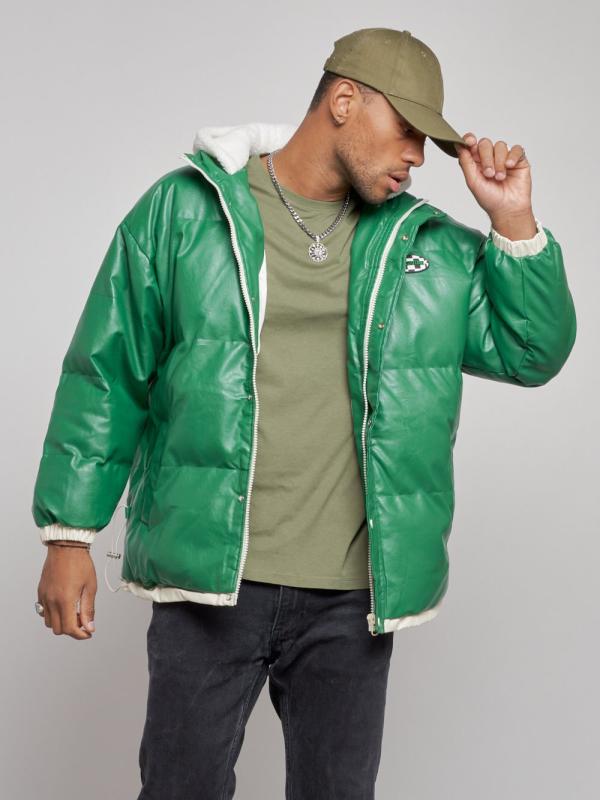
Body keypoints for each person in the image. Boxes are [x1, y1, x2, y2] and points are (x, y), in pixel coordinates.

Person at [32, 27, 577, 800]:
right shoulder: (186, 211)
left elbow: (532, 351)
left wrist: (513, 220)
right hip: (209, 583)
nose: (417, 156)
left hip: (352, 602)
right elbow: (107, 371)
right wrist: (68, 535)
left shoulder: (427, 249)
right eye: (407, 129)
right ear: (344, 101)